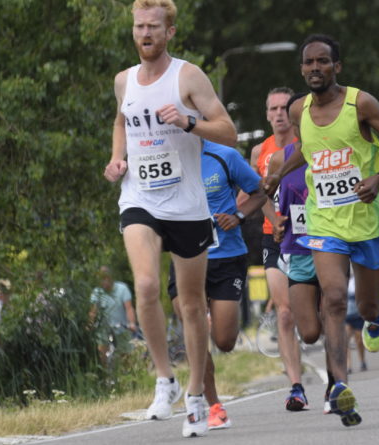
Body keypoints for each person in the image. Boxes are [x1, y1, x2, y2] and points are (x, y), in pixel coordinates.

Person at [102, 0, 236, 437]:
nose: (145, 34)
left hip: (186, 204)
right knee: (144, 285)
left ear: (170, 32)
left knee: (192, 306)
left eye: (154, 27)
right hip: (139, 197)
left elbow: (228, 131)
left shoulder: (188, 76)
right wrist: (117, 159)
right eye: (139, 26)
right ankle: (166, 379)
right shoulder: (124, 80)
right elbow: (122, 122)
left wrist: (189, 121)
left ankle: (197, 394)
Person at [264, 34, 379, 427]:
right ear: (301, 69)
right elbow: (305, 150)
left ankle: (376, 314)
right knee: (332, 298)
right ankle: (340, 388)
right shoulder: (299, 110)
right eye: (308, 63)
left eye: (323, 62)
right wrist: (278, 173)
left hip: (367, 224)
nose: (315, 68)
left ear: (337, 67)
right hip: (325, 221)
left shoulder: (360, 103)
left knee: (363, 306)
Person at [168, 138, 266, 430]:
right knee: (192, 329)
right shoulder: (166, 156)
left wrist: (238, 216)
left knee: (224, 340)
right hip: (184, 256)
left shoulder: (225, 156)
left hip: (226, 257)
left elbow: (260, 192)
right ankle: (212, 405)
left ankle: (207, 326)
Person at [268, 92, 332, 412]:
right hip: (297, 247)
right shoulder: (280, 158)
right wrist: (273, 220)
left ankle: (336, 383)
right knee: (308, 332)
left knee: (332, 308)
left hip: (331, 243)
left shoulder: (332, 151)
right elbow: (261, 190)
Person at [249, 86, 306, 411]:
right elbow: (256, 190)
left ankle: (335, 374)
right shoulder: (260, 152)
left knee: (316, 314)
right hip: (276, 237)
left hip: (312, 236)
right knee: (284, 313)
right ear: (267, 114)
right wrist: (275, 218)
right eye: (273, 109)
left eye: (284, 107)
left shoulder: (308, 145)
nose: (279, 113)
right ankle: (296, 385)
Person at [89, 266, 137, 367]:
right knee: (102, 354)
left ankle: (128, 378)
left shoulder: (122, 289)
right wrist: (90, 324)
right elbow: (93, 312)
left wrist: (132, 323)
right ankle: (105, 376)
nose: (104, 281)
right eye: (101, 279)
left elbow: (129, 308)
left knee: (126, 357)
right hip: (103, 329)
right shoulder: (97, 292)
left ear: (111, 278)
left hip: (121, 328)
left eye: (106, 278)